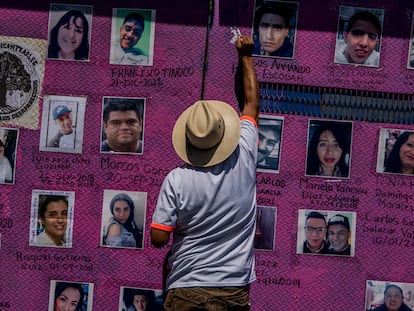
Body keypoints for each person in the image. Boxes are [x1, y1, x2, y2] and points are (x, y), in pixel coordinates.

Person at [150, 33, 259, 310]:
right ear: (224, 133)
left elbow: (159, 238)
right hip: (234, 290)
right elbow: (251, 103)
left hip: (186, 288)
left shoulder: (176, 180)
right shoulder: (244, 155)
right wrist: (245, 55)